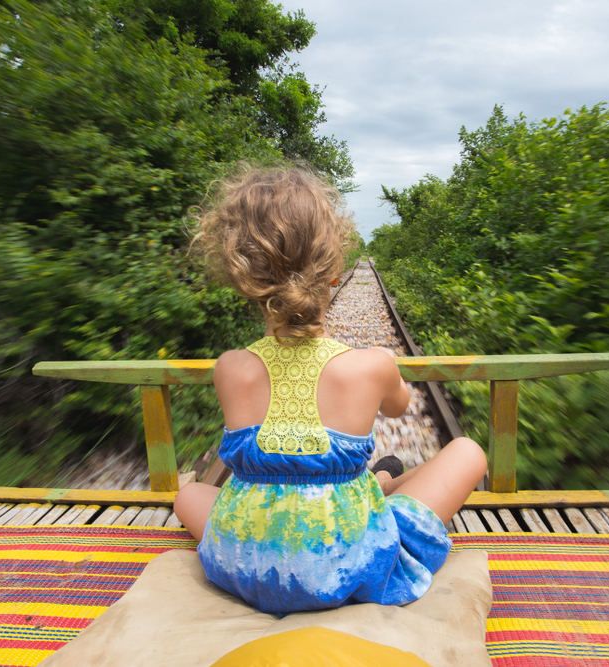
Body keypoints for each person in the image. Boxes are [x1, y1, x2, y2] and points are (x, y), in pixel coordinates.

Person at [174, 166, 487, 614]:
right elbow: (401, 407)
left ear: (241, 275)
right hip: (347, 562)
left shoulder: (231, 368)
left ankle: (376, 482)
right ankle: (377, 485)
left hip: (248, 564)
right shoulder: (372, 364)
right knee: (468, 453)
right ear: (335, 268)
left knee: (187, 494)